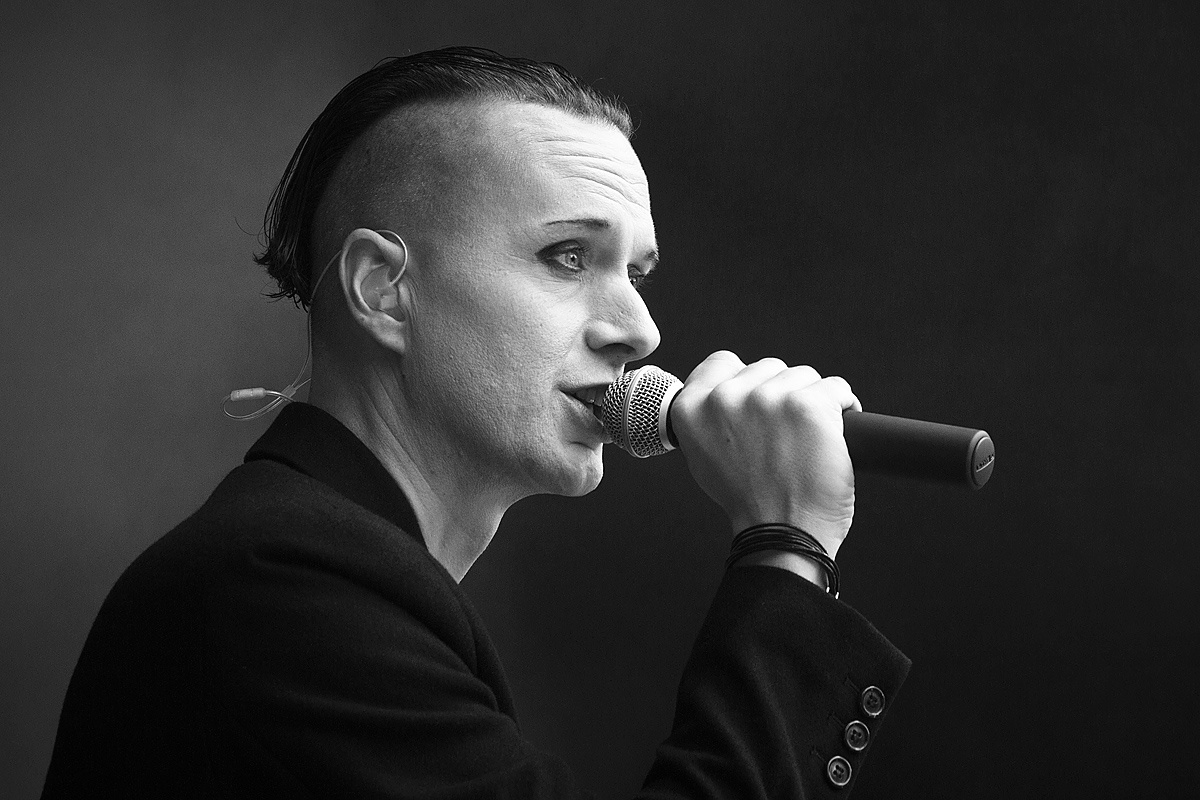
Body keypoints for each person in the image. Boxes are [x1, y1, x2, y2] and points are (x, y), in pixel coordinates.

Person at [41, 47, 910, 798]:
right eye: (567, 256)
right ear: (382, 290)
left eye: (636, 274)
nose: (640, 331)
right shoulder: (277, 589)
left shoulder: (330, 579)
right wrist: (787, 544)